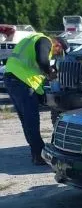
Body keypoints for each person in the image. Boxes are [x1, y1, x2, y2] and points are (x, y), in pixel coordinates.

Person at [5, 33, 66, 165]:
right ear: (58, 45)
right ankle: (39, 154)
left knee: (26, 120)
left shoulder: (32, 38)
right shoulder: (45, 41)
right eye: (59, 52)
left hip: (12, 77)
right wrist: (50, 73)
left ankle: (36, 153)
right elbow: (43, 60)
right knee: (31, 119)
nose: (56, 55)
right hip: (23, 80)